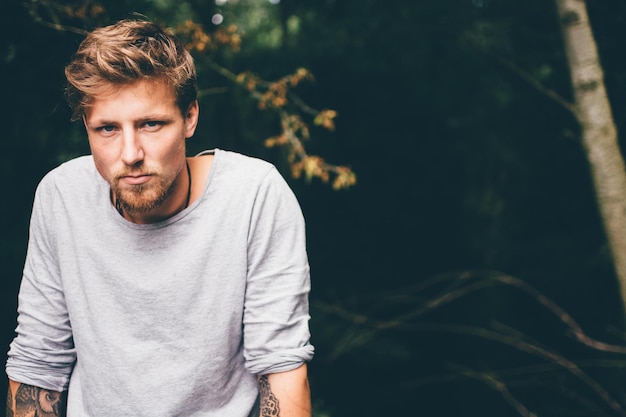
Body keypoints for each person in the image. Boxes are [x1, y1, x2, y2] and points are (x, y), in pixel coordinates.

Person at [5, 19, 314, 417]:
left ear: (189, 118)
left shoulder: (253, 195)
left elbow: (282, 369)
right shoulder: (62, 197)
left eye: (150, 124)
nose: (130, 152)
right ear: (86, 128)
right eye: (107, 129)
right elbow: (37, 365)